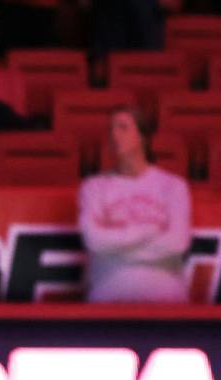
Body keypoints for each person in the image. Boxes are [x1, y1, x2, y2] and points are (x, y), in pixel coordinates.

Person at [79, 108, 191, 303]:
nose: (114, 135)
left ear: (142, 137)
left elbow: (177, 242)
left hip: (167, 297)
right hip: (108, 293)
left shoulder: (173, 186)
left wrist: (116, 248)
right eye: (111, 129)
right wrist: (149, 231)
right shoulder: (93, 187)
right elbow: (93, 240)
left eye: (123, 128)